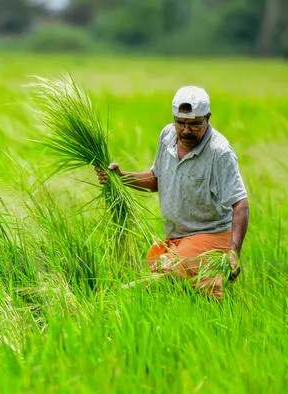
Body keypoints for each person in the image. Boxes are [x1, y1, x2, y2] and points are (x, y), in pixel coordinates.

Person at [95, 86, 249, 301]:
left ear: (208, 118)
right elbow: (156, 179)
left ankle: (124, 296)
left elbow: (240, 203)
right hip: (178, 237)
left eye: (195, 124)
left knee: (165, 279)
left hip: (211, 235)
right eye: (181, 123)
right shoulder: (167, 135)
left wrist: (233, 253)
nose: (186, 130)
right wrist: (120, 177)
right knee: (183, 285)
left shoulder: (219, 152)